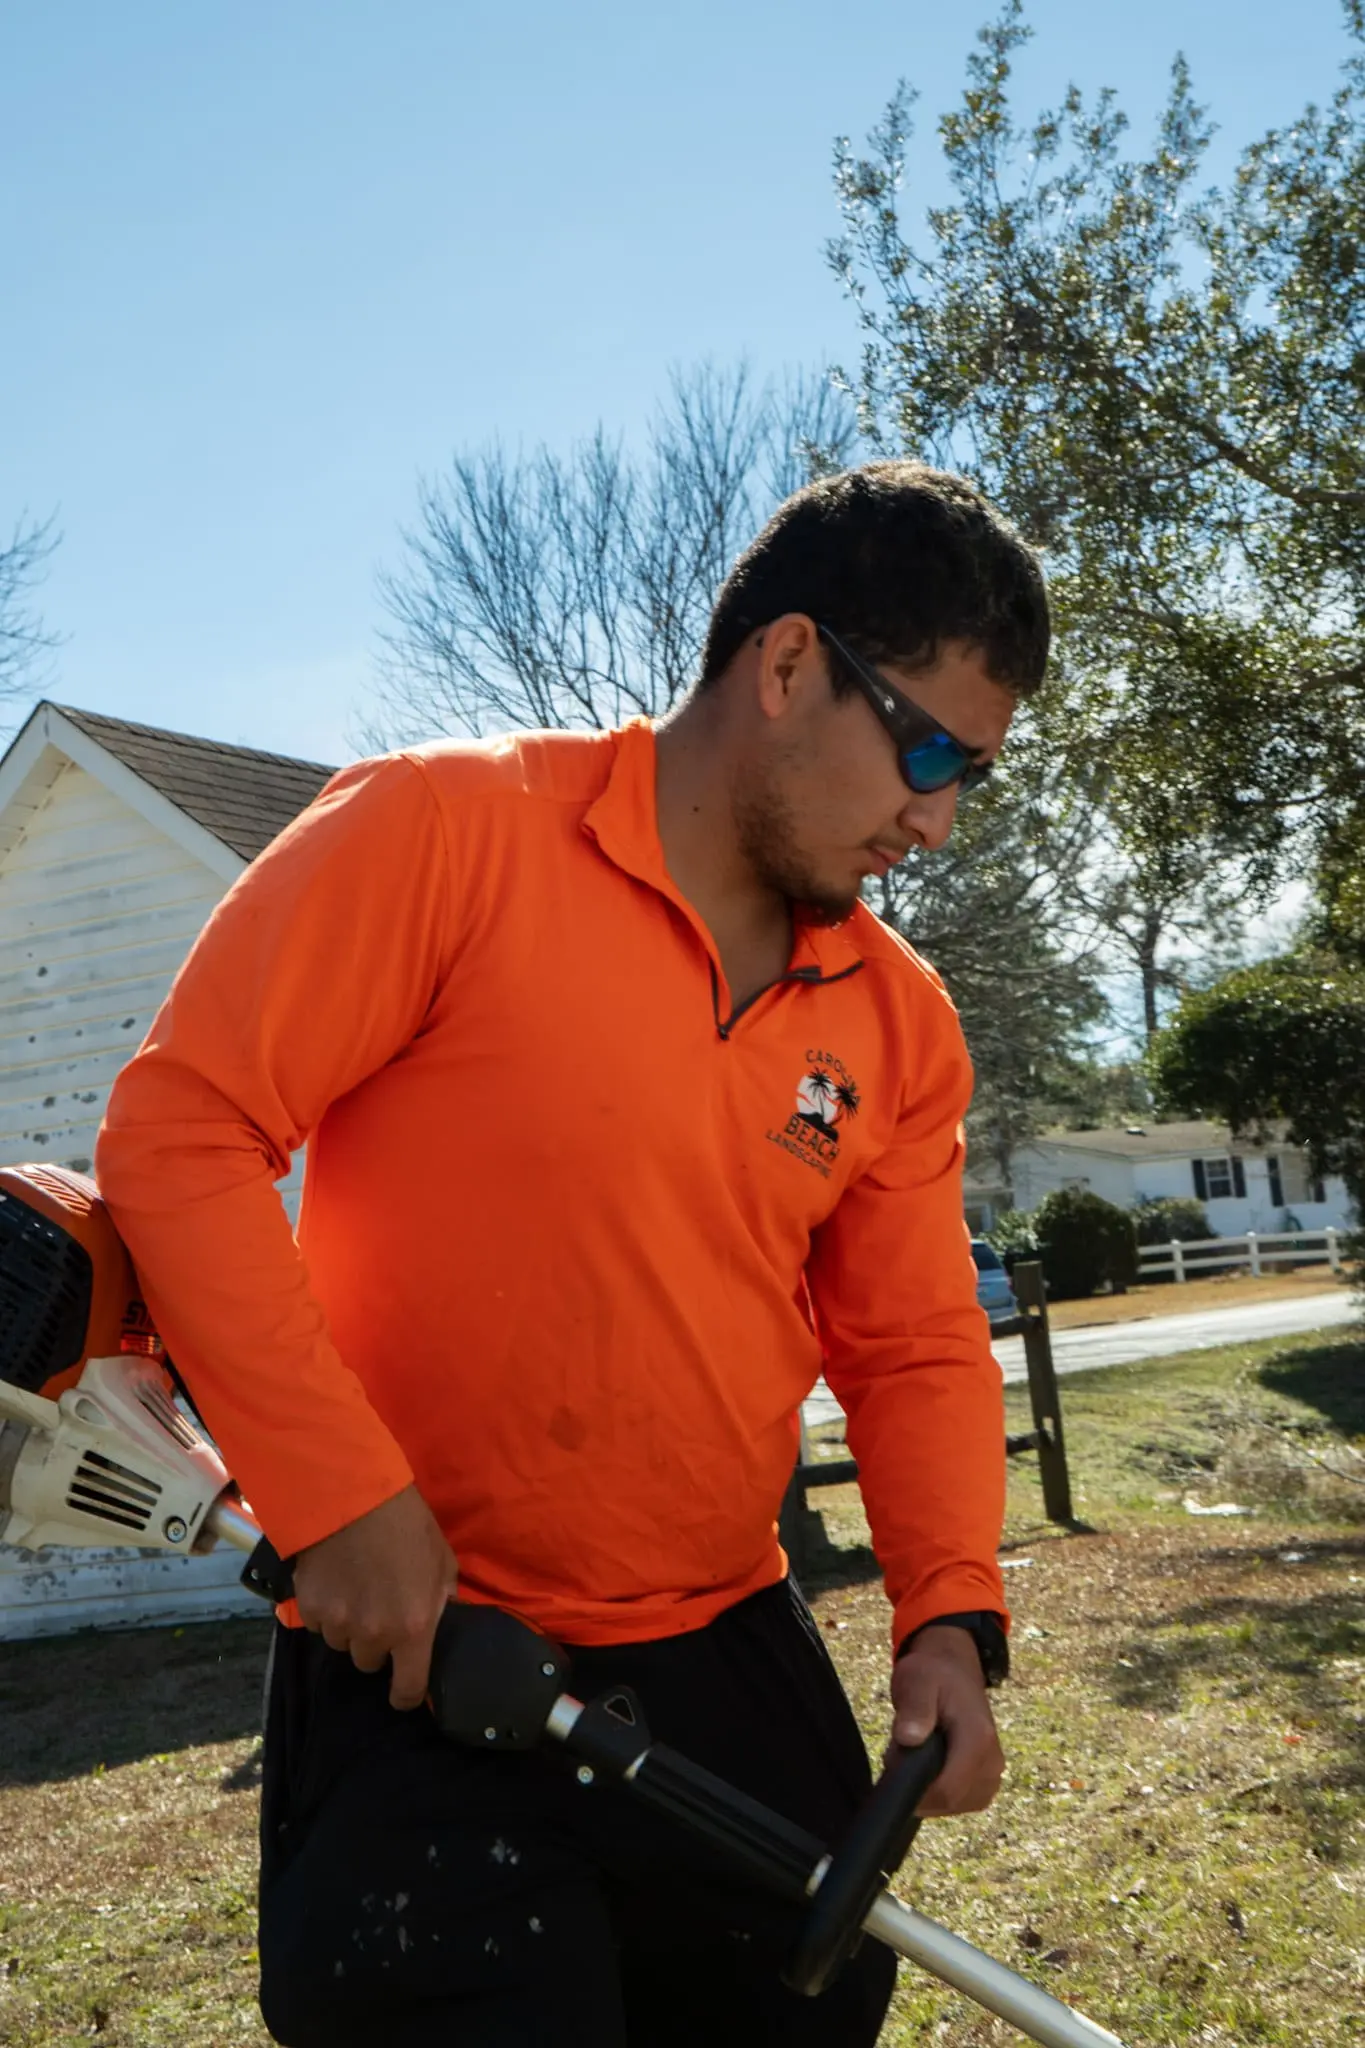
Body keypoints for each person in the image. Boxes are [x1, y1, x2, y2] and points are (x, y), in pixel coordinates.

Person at [96, 459, 1050, 2048]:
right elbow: (182, 1132)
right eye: (929, 750)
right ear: (791, 662)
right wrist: (343, 1502)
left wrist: (949, 1613)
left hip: (720, 1639)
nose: (937, 820)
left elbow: (913, 1341)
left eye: (975, 776)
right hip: (427, 1653)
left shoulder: (900, 1022)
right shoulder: (444, 832)